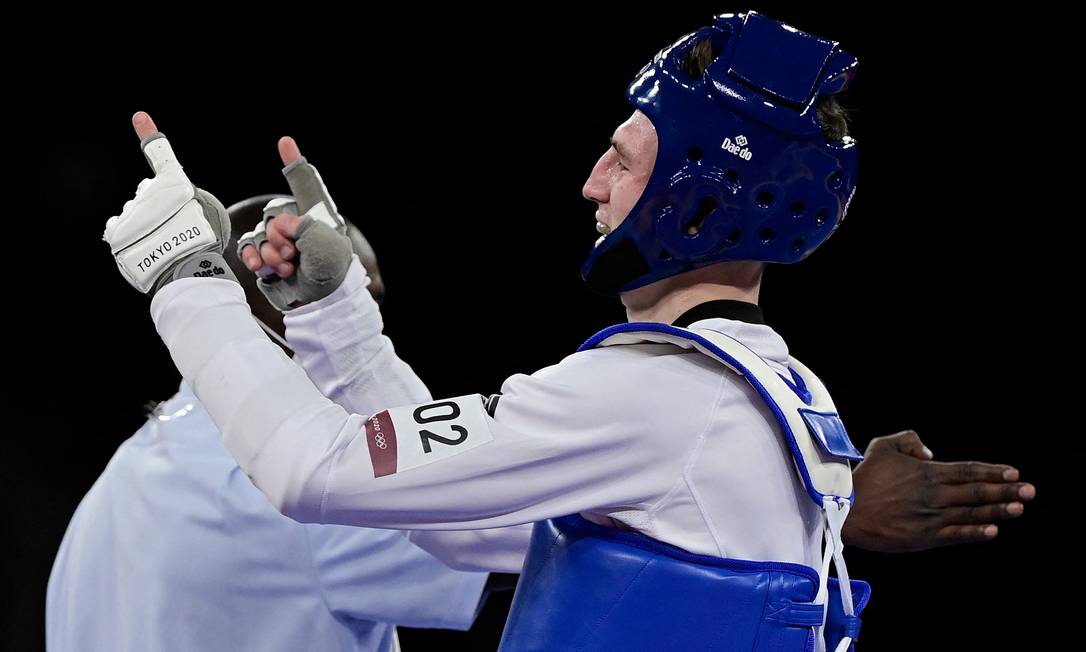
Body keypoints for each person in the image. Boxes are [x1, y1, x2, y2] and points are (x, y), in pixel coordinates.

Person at [101, 11, 1035, 651]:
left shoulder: (654, 396)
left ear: (698, 203)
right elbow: (470, 526)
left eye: (622, 162)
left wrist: (189, 282)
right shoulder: (770, 387)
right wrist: (337, 317)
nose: (592, 185)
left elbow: (316, 472)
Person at [50, 196, 492, 652]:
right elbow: (498, 530)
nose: (367, 324)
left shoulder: (128, 469)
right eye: (350, 296)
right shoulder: (306, 483)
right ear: (286, 302)